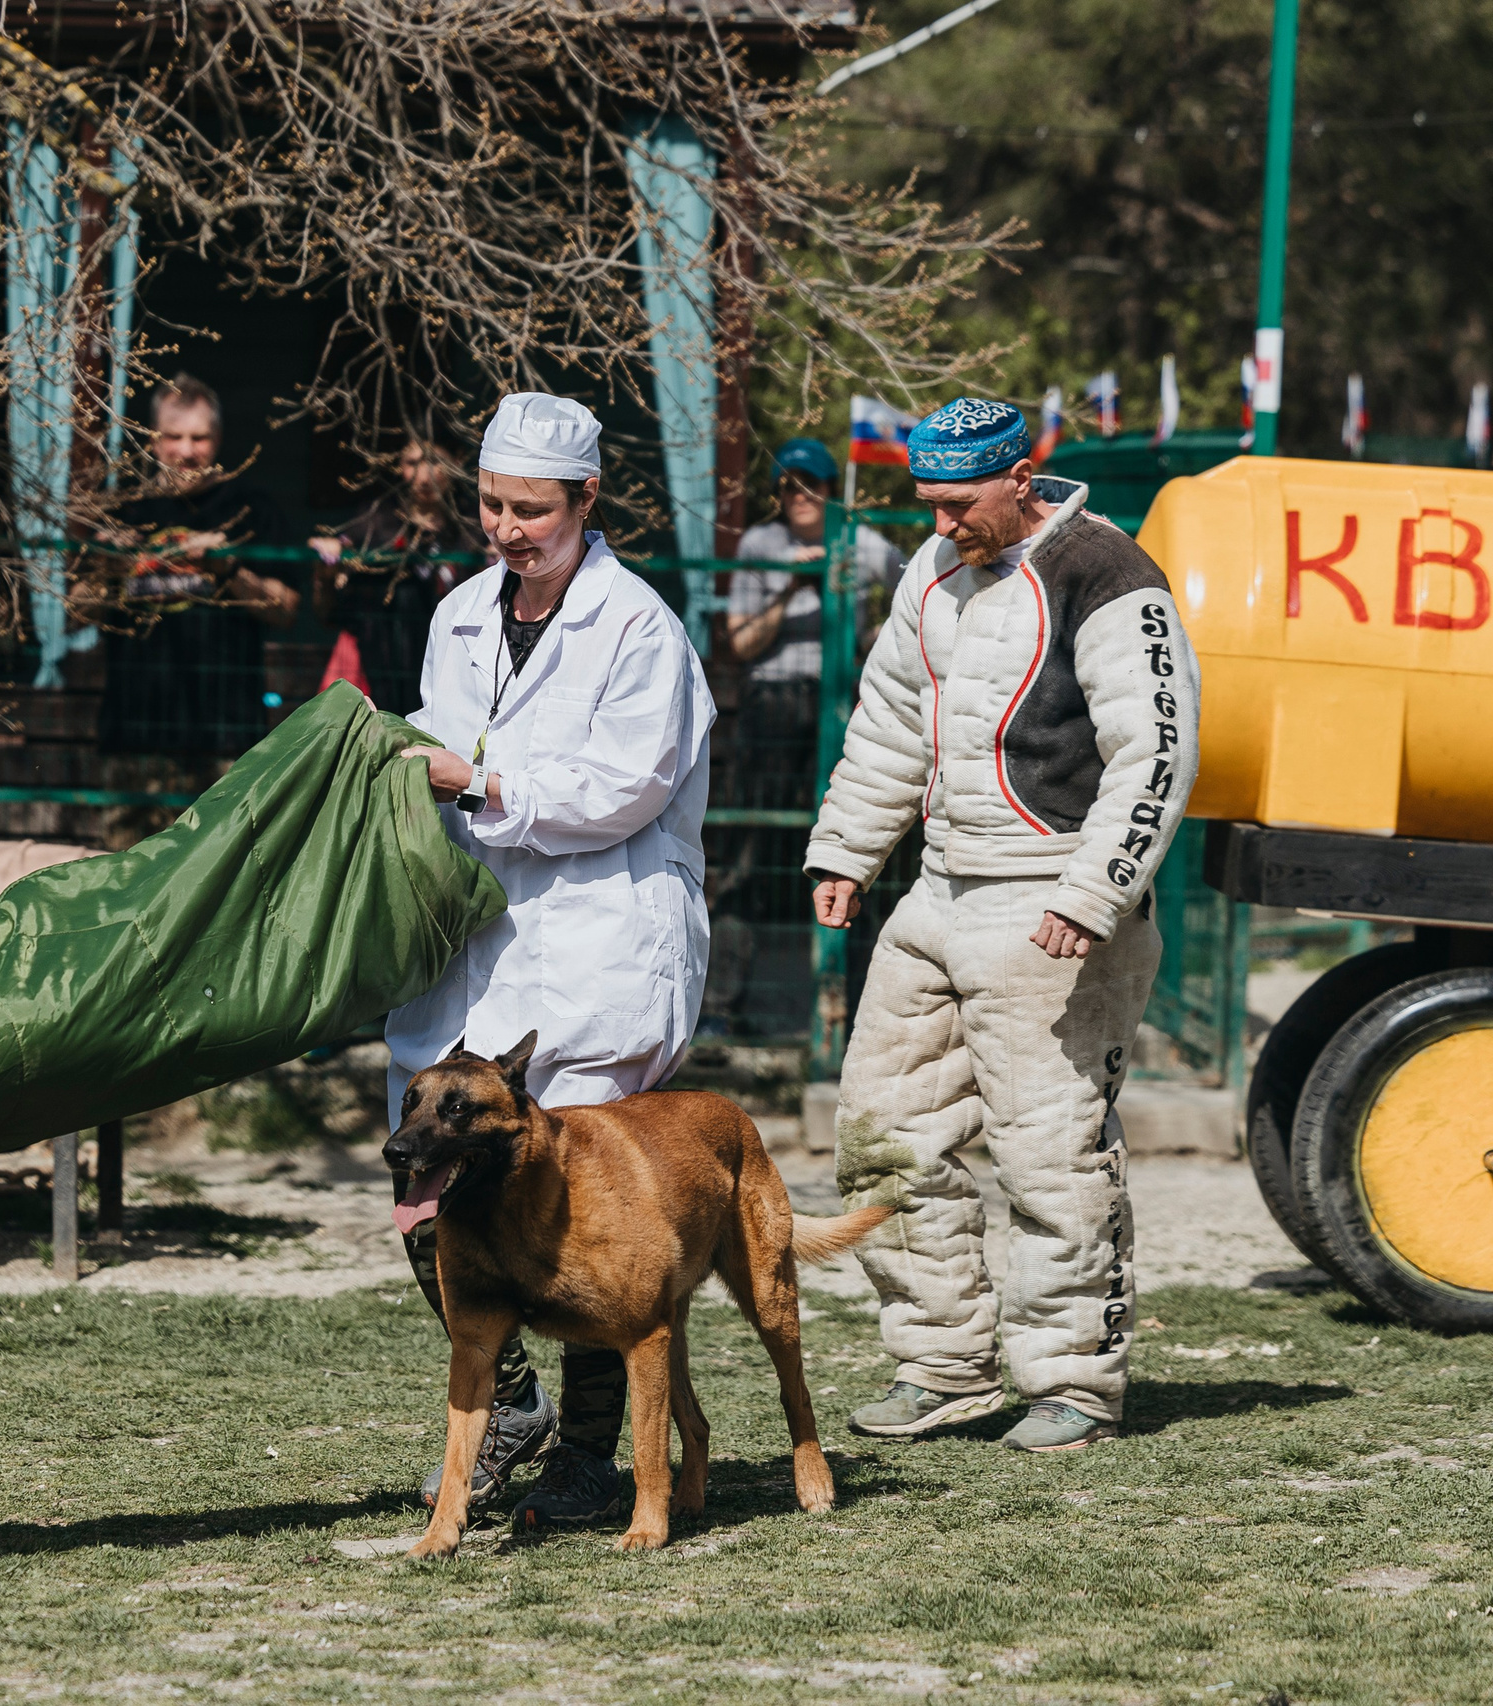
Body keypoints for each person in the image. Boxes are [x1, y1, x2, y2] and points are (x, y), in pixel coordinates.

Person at [805, 396, 1199, 1455]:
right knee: (882, 1132)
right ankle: (942, 1365)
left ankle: (1072, 1379)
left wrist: (1091, 894)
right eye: (925, 503)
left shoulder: (1109, 575)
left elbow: (1155, 755)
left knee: (1049, 1151)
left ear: (1020, 477)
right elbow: (890, 715)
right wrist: (847, 847)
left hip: (1050, 897)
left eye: (957, 502)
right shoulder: (930, 571)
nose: (939, 523)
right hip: (938, 887)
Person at [384, 391, 716, 1531]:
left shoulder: (638, 629)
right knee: (422, 1175)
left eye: (532, 508)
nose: (506, 526)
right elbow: (439, 740)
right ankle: (509, 1400)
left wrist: (477, 785)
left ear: (586, 501)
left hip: (599, 937)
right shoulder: (463, 611)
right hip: (481, 939)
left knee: (585, 1217)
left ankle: (588, 1458)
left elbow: (627, 787)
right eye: (490, 502)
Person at [697, 439, 901, 1036]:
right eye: (787, 485)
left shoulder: (862, 544)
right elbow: (740, 642)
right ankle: (720, 1010)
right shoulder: (763, 546)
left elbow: (917, 589)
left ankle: (857, 1014)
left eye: (810, 484)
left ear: (832, 490)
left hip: (842, 709)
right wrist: (792, 584)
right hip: (773, 706)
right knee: (747, 854)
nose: (799, 496)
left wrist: (876, 636)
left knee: (856, 851)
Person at [89, 376, 300, 755]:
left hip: (227, 738)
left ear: (217, 440)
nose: (186, 450)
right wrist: (108, 573)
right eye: (174, 436)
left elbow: (286, 610)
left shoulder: (250, 508)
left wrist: (229, 569)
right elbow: (71, 611)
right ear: (153, 439)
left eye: (199, 438)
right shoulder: (123, 508)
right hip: (134, 733)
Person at [309, 435, 483, 718]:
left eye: (435, 463)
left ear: (457, 462)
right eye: (412, 463)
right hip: (383, 663)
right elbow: (331, 599)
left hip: (454, 665)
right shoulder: (377, 518)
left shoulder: (474, 522)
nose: (424, 476)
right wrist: (328, 561)